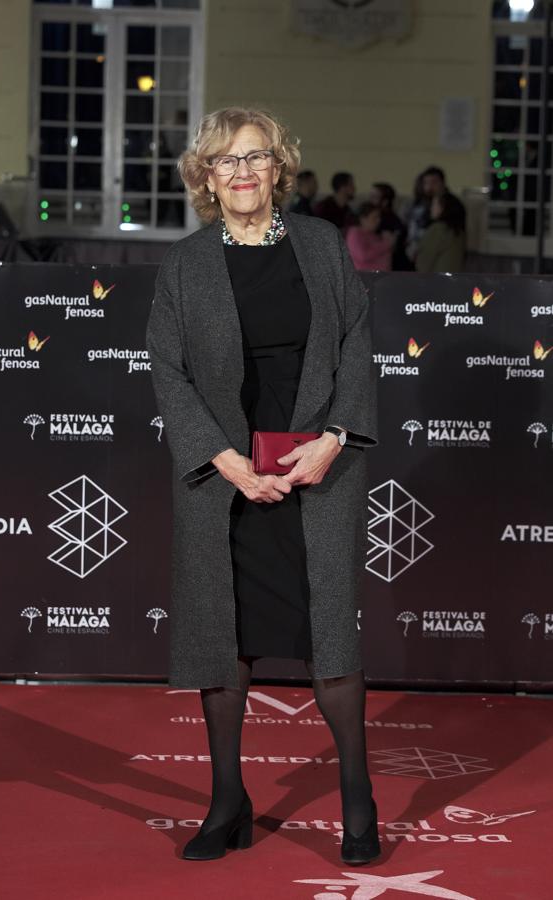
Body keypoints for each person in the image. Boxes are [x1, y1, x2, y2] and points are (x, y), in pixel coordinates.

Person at [146, 106, 378, 866]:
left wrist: (335, 439)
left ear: (278, 167)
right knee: (226, 641)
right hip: (225, 476)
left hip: (318, 465)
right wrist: (221, 457)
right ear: (205, 178)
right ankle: (226, 801)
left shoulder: (318, 245)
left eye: (254, 158)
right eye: (224, 161)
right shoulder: (184, 264)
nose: (241, 173)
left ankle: (356, 798)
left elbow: (354, 343)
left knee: (330, 641)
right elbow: (169, 373)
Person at [406, 166, 465, 264]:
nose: (429, 186)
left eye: (434, 182)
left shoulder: (452, 204)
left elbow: (443, 235)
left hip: (437, 255)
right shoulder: (419, 203)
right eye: (426, 183)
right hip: (415, 250)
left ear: (442, 183)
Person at [415, 191, 466, 272]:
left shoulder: (438, 229)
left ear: (443, 208)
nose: (431, 208)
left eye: (434, 204)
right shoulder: (458, 231)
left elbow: (423, 263)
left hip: (435, 280)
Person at [369, 181, 412, 271]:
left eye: (374, 197)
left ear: (385, 202)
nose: (370, 200)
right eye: (370, 196)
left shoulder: (390, 221)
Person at [346, 201, 394, 271]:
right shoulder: (355, 233)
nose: (379, 220)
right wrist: (386, 244)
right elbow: (363, 256)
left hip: (382, 276)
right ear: (363, 219)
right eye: (374, 218)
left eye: (379, 217)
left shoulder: (375, 235)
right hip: (366, 277)